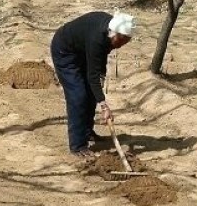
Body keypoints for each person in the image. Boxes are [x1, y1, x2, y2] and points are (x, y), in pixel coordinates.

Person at [50, 10, 134, 159]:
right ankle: (77, 145)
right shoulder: (98, 38)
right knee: (78, 95)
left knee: (91, 93)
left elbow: (98, 65)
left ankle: (87, 132)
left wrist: (99, 85)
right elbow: (93, 75)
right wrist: (104, 105)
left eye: (126, 42)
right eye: (121, 42)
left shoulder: (110, 33)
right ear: (114, 34)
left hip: (82, 51)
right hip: (65, 52)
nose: (121, 46)